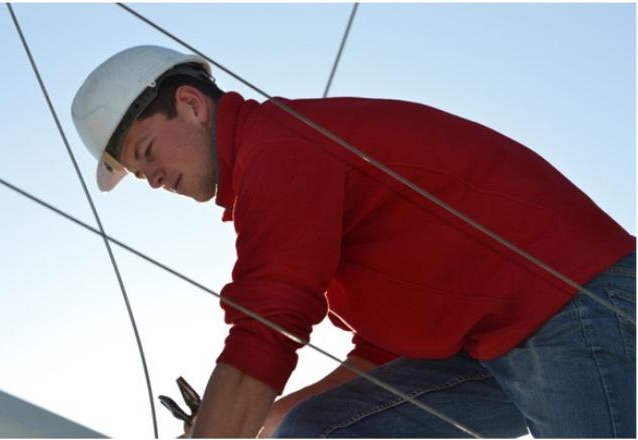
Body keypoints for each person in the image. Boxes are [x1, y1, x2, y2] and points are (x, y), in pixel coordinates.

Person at [72, 45, 636, 438]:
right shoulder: (278, 171)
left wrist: (219, 432)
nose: (151, 178)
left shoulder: (282, 147)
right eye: (137, 174)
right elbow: (383, 354)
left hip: (573, 307)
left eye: (147, 153)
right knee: (316, 433)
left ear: (191, 106)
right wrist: (256, 421)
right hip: (493, 345)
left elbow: (268, 324)